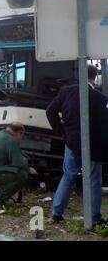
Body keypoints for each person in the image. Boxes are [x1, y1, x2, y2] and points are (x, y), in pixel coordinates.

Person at [46, 65, 108, 226]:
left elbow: (50, 111)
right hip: (93, 145)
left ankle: (57, 212)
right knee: (94, 179)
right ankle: (95, 217)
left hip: (72, 142)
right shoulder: (101, 98)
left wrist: (62, 131)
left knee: (68, 175)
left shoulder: (66, 92)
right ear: (94, 78)